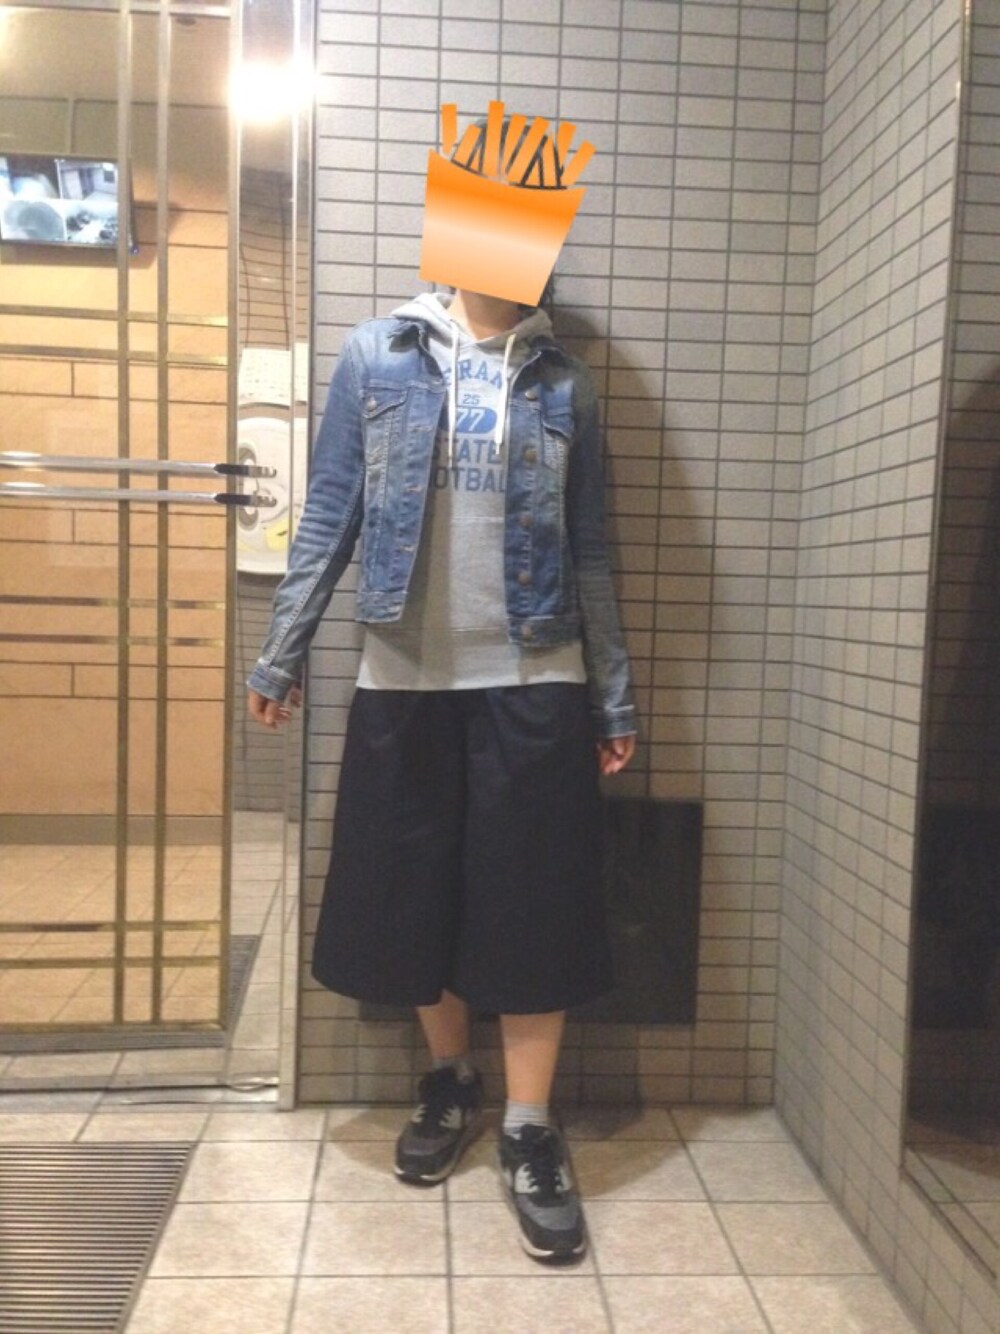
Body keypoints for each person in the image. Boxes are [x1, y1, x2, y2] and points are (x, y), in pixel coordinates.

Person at [248, 209, 636, 1264]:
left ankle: (529, 1127)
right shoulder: (377, 355)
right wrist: (282, 651)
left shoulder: (564, 382)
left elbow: (590, 550)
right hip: (405, 678)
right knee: (416, 893)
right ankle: (452, 1082)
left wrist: (610, 696)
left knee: (533, 904)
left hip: (536, 675)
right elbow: (330, 511)